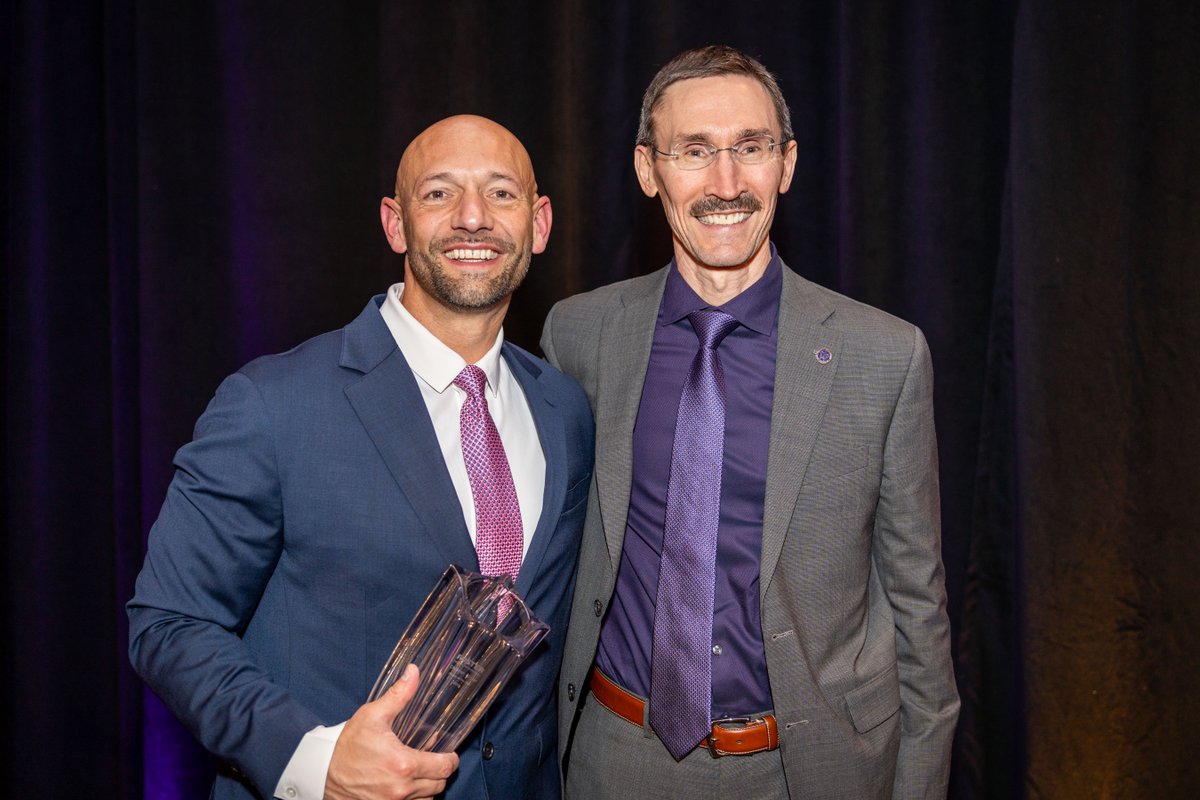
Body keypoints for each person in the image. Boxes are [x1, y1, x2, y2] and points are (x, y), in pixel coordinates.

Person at [129, 115, 595, 800]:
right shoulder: (272, 403)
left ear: (540, 222)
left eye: (501, 194)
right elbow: (168, 624)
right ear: (395, 223)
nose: (473, 218)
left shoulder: (565, 410)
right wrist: (313, 760)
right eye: (439, 194)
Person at [541, 46, 959, 798]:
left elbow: (917, 609)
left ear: (787, 164)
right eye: (694, 152)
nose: (725, 184)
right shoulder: (579, 337)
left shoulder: (883, 356)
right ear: (648, 170)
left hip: (808, 770)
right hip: (615, 759)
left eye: (751, 149)